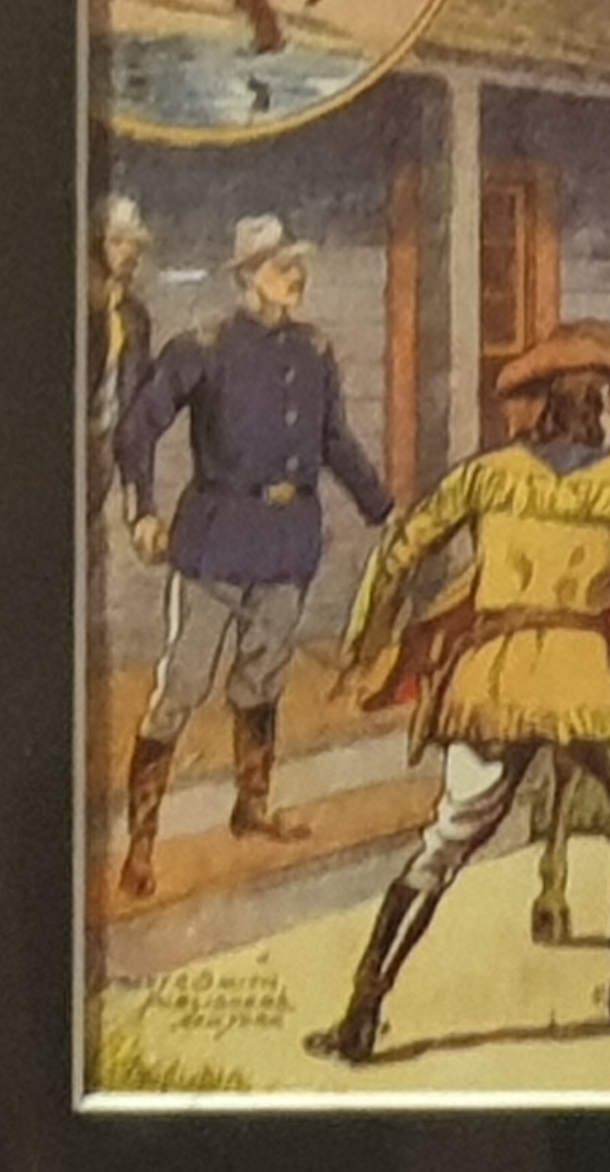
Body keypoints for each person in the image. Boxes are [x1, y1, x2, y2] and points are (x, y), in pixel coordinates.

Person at [302, 319, 610, 1065]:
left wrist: (368, 635)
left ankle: (362, 1011)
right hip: (584, 678)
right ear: (599, 400)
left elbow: (400, 548)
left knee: (447, 840)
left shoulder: (489, 474)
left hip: (494, 678)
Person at [110, 215, 391, 896]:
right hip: (215, 543)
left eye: (297, 264)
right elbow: (137, 428)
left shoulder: (314, 350)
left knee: (263, 679)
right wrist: (142, 510)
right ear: (247, 277)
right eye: (280, 266)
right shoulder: (203, 347)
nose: (295, 275)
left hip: (287, 541)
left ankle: (252, 807)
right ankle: (141, 845)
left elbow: (335, 441)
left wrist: (383, 510)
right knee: (182, 688)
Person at [86, 192, 157, 572]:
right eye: (117, 241)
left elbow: (135, 411)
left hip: (100, 454)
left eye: (134, 244)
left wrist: (139, 500)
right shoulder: (80, 309)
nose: (129, 252)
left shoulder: (134, 317)